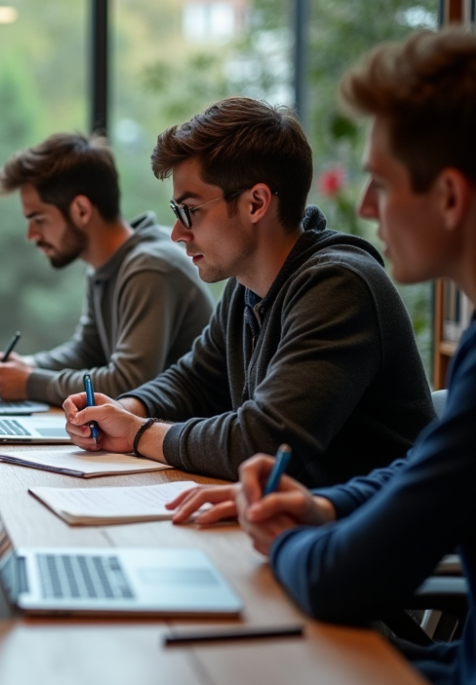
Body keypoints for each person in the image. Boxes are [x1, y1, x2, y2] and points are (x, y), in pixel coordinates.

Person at [167, 27, 476, 685]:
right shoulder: (245, 295)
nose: (365, 207)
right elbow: (421, 467)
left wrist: (287, 535)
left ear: (450, 198)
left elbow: (342, 577)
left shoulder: (339, 282)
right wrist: (327, 508)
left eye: (382, 183)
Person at [62, 97, 434, 485]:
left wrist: (138, 433)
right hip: (297, 523)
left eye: (190, 211)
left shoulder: (339, 287)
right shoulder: (248, 287)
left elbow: (263, 442)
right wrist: (123, 408)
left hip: (367, 535)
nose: (177, 233)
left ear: (256, 203)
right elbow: (195, 381)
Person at [0, 132, 213, 405]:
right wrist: (26, 366)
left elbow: (128, 382)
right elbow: (88, 351)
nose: (31, 235)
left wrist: (30, 383)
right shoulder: (107, 265)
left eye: (39, 219)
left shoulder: (150, 268)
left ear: (81, 210)